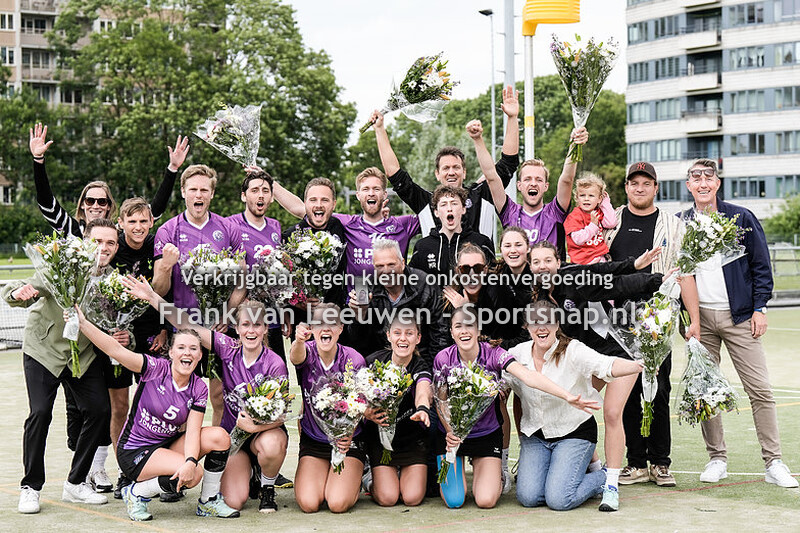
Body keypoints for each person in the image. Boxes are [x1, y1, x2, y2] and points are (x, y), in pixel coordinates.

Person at [126, 275, 291, 512]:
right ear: (237, 327)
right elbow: (186, 325)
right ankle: (251, 472)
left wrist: (254, 428)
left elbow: (284, 413)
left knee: (272, 445)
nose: (251, 331)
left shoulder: (274, 363)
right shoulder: (228, 348)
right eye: (246, 325)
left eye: (257, 325)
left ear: (265, 328)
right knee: (235, 500)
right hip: (234, 438)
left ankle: (267, 487)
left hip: (262, 433)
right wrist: (153, 297)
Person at [680, 159, 797, 488]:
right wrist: (685, 317)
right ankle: (716, 458)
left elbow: (761, 265)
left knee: (760, 389)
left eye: (708, 177)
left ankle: (773, 463)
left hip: (741, 316)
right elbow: (675, 273)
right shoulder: (680, 223)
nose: (702, 182)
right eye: (695, 178)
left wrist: (760, 307)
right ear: (688, 186)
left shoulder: (741, 217)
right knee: (706, 391)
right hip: (700, 320)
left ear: (717, 183)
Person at [527, 240, 666, 511]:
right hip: (586, 358)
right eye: (536, 262)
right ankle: (595, 469)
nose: (542, 267)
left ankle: (611, 485)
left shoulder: (574, 278)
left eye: (548, 260)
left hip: (617, 350)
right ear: (531, 268)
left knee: (612, 413)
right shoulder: (539, 298)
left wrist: (653, 278)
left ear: (558, 262)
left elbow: (613, 280)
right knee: (574, 407)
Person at [73, 311, 239, 521]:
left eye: (193, 349)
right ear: (171, 352)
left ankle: (208, 501)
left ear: (199, 355)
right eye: (181, 348)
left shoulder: (198, 387)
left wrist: (189, 460)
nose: (186, 353)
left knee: (219, 437)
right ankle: (135, 493)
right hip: (135, 452)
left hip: (165, 446)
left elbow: (193, 432)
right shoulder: (154, 368)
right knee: (195, 474)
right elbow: (115, 349)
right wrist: (83, 323)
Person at [4, 220, 122, 514]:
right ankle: (30, 487)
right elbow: (26, 286)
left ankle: (76, 483)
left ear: (117, 248)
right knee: (40, 413)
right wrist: (17, 294)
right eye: (97, 241)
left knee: (99, 411)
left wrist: (123, 334)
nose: (103, 248)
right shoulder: (65, 265)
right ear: (85, 242)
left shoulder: (113, 281)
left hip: (81, 355)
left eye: (110, 243)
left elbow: (115, 324)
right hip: (43, 349)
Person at [433, 305, 599, 509]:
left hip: (485, 436)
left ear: (478, 329)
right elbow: (440, 401)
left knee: (485, 500)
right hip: (453, 438)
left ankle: (493, 472)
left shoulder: (495, 354)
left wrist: (567, 396)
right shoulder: (442, 358)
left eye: (470, 325)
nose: (464, 331)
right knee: (454, 501)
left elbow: (529, 376)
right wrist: (450, 431)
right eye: (458, 326)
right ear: (451, 331)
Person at [605, 161, 701, 488]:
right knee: (628, 389)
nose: (640, 188)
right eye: (634, 183)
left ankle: (660, 461)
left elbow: (685, 273)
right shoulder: (610, 221)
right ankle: (636, 463)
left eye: (647, 183)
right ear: (627, 187)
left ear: (655, 188)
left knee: (657, 389)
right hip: (618, 318)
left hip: (657, 315)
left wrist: (694, 320)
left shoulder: (673, 226)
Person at [508, 300, 644, 511]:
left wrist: (639, 365)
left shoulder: (573, 350)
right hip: (536, 436)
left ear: (557, 324)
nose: (541, 327)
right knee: (529, 497)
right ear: (527, 326)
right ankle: (561, 474)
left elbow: (606, 365)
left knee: (559, 499)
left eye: (548, 321)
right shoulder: (517, 354)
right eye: (535, 322)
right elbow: (498, 382)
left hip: (574, 433)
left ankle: (605, 475)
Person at [152, 163, 246, 426]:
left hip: (218, 327)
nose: (199, 195)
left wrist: (227, 313)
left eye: (204, 189)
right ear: (183, 192)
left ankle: (214, 463)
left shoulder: (228, 229)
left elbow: (241, 281)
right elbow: (158, 290)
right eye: (193, 189)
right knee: (181, 398)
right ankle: (182, 460)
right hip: (182, 328)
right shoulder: (168, 231)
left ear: (212, 194)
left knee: (218, 396)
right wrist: (166, 265)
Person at [372, 86, 520, 239]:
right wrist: (379, 129)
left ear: (464, 172)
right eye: (446, 168)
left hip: (482, 262)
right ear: (437, 174)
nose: (451, 172)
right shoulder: (425, 202)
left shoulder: (483, 194)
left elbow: (509, 163)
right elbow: (394, 174)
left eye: (456, 167)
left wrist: (512, 118)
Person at [110, 197, 172, 498]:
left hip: (153, 339)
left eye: (143, 221)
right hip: (118, 338)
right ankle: (125, 471)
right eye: (131, 221)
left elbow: (166, 293)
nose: (138, 227)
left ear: (151, 223)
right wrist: (112, 332)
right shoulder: (112, 250)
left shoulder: (157, 247)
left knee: (158, 406)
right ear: (121, 223)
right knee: (120, 406)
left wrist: (163, 329)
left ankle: (162, 469)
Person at [270, 166, 421, 289]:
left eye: (376, 189)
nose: (371, 193)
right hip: (356, 311)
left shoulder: (403, 224)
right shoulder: (346, 223)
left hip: (393, 309)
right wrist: (270, 183)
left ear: (384, 194)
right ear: (358, 195)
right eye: (366, 189)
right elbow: (301, 208)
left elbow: (435, 214)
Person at [290, 303, 367, 513]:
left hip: (347, 442)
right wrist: (298, 340)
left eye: (332, 323)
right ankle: (325, 473)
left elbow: (361, 405)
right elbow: (295, 357)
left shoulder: (354, 359)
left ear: (340, 328)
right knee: (309, 503)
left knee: (337, 503)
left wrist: (347, 435)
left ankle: (357, 474)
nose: (326, 328)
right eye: (319, 323)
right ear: (311, 329)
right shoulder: (306, 351)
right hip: (315, 442)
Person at [475, 119, 588, 251]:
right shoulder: (510, 212)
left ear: (546, 186)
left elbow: (567, 180)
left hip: (551, 272)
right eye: (527, 179)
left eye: (539, 180)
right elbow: (492, 177)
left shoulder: (555, 212)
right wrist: (477, 139)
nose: (533, 183)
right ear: (519, 185)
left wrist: (574, 143)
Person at [361, 315, 433, 507]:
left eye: (409, 333)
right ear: (388, 336)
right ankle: (369, 476)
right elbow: (356, 396)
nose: (403, 338)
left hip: (411, 440)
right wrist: (365, 411)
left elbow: (423, 388)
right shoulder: (373, 362)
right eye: (397, 333)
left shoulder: (420, 365)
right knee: (388, 498)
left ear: (418, 338)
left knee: (412, 498)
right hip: (380, 441)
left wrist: (423, 408)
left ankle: (401, 474)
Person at [347, 237, 449, 366]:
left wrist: (432, 369)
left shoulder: (424, 283)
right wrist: (359, 316)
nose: (386, 271)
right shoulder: (367, 287)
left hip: (421, 359)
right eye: (380, 266)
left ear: (403, 263)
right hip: (382, 362)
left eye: (391, 264)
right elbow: (358, 342)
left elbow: (440, 332)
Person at [408, 185, 495, 281]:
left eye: (454, 203)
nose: (449, 208)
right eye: (443, 204)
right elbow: (413, 283)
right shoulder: (423, 246)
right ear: (436, 212)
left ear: (463, 209)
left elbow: (493, 281)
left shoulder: (481, 242)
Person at [564, 174, 617, 264]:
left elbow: (611, 223)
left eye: (591, 196)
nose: (586, 199)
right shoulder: (574, 216)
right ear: (577, 198)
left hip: (599, 258)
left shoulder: (598, 212)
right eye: (582, 195)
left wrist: (606, 202)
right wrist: (593, 225)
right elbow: (578, 239)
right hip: (582, 261)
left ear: (599, 198)